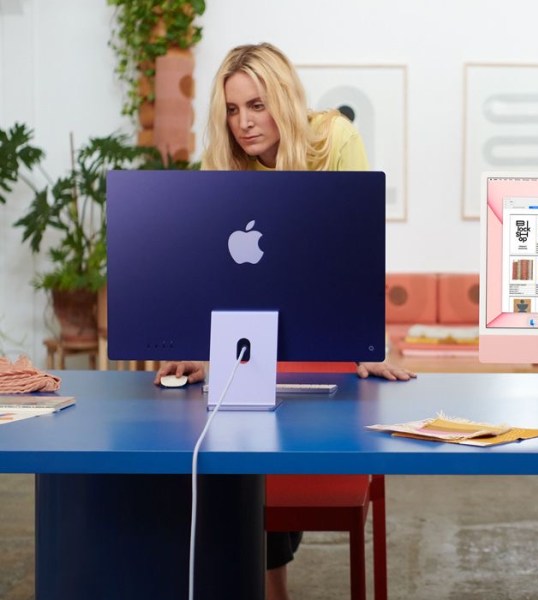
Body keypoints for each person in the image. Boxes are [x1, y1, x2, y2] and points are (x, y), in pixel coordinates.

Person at [154, 42, 416, 600]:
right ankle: (268, 584)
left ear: (284, 98)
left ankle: (268, 579)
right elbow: (211, 274)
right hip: (254, 328)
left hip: (321, 324)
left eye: (256, 105)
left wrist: (368, 341)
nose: (243, 123)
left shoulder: (332, 139)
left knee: (288, 430)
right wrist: (197, 347)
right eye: (231, 109)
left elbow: (357, 249)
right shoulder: (224, 160)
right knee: (234, 431)